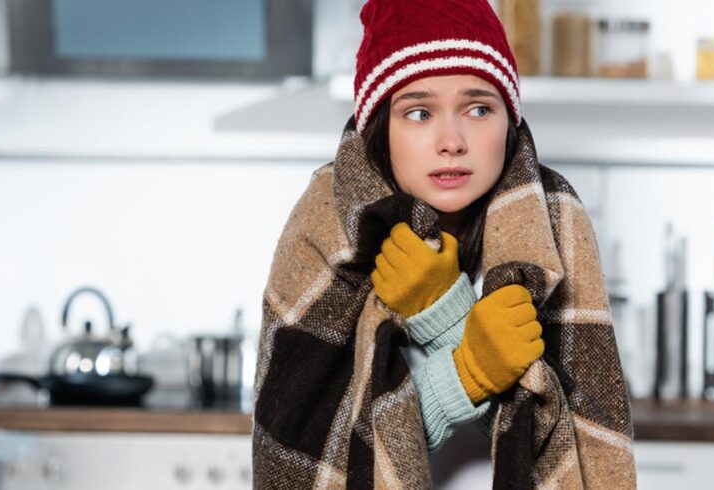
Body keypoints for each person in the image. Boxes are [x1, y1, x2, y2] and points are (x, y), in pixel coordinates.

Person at [252, 0, 636, 488]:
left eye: (478, 108)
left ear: (509, 122)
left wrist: (441, 310)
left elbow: (564, 449)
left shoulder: (556, 223)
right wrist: (466, 370)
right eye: (418, 112)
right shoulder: (326, 230)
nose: (451, 140)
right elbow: (314, 455)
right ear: (380, 128)